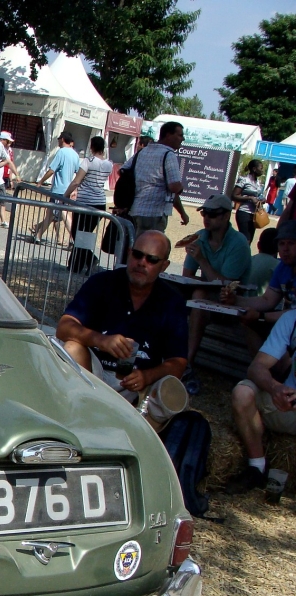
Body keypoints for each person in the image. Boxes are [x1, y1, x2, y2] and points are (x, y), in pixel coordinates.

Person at [55, 230, 188, 403]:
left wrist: (147, 376)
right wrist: (101, 340)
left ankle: (137, 419)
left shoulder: (171, 301)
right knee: (72, 348)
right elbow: (64, 327)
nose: (142, 263)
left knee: (172, 391)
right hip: (93, 375)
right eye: (137, 254)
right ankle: (85, 408)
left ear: (164, 266)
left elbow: (178, 362)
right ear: (129, 253)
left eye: (152, 259)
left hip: (138, 384)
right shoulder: (102, 283)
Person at [181, 194, 252, 384]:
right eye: (204, 213)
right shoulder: (200, 237)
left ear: (226, 216)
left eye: (212, 214)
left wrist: (202, 260)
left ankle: (187, 363)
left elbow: (227, 287)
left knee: (199, 295)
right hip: (207, 299)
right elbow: (187, 276)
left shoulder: (238, 243)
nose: (206, 218)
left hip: (232, 303)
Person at [226, 304, 296, 492]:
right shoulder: (291, 319)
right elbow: (256, 367)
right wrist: (275, 388)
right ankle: (256, 467)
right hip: (289, 407)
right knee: (243, 392)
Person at [127, 121, 187, 235]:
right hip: (155, 212)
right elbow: (174, 187)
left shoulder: (143, 152)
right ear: (168, 135)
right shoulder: (169, 155)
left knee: (137, 243)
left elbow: (123, 170)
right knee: (150, 244)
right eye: (180, 135)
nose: (182, 139)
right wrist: (180, 188)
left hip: (136, 209)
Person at [63, 135, 113, 274]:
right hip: (100, 202)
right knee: (85, 234)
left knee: (77, 233)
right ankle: (76, 265)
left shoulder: (88, 161)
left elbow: (76, 181)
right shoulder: (109, 164)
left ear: (92, 147)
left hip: (85, 201)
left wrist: (65, 195)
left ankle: (89, 260)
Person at [27, 131, 79, 244]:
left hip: (58, 189)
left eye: (59, 139)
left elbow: (51, 170)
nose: (58, 141)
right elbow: (77, 172)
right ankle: (38, 236)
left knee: (62, 214)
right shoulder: (75, 154)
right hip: (68, 188)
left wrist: (40, 181)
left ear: (62, 139)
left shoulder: (61, 152)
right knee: (50, 214)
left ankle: (75, 238)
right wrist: (75, 189)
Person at [232, 160, 267, 244]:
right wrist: (250, 198)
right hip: (244, 213)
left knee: (249, 240)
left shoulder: (258, 182)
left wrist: (262, 199)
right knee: (245, 239)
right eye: (261, 168)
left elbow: (259, 195)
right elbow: (234, 195)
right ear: (254, 169)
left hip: (254, 215)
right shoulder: (244, 180)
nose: (262, 170)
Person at [0, 131, 20, 229]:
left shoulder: (6, 149)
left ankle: (3, 221)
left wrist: (16, 175)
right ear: (3, 140)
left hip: (0, 179)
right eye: (8, 141)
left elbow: (9, 161)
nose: (9, 143)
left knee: (2, 200)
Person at [246, 228, 279, 297]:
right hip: (265, 302)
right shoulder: (278, 267)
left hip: (243, 300)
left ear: (258, 245)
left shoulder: (248, 261)